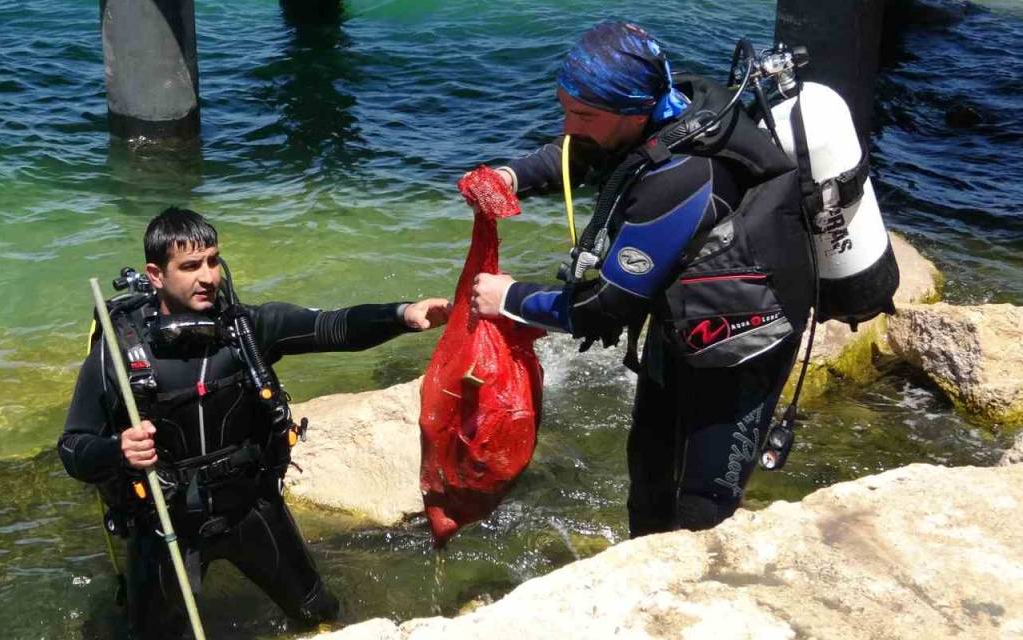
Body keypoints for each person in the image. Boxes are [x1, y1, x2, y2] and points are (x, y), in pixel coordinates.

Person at [467, 21, 814, 537]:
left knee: (703, 506)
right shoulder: (666, 110)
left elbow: (605, 306)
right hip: (685, 319)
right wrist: (512, 175)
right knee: (649, 472)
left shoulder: (682, 178)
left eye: (581, 113)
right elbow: (582, 151)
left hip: (746, 339)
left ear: (634, 111)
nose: (567, 125)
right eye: (564, 107)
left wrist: (509, 297)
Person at [58, 207, 450, 638]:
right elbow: (74, 448)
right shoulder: (117, 355)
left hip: (249, 507)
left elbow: (329, 326)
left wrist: (402, 315)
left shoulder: (247, 330)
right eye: (190, 266)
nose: (208, 277)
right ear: (155, 274)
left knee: (318, 612)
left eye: (212, 260)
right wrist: (118, 450)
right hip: (166, 524)